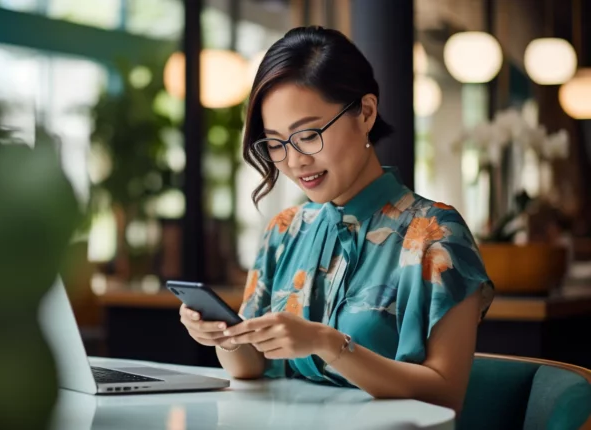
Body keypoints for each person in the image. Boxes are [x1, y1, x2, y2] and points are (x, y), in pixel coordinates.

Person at [177, 26, 495, 414]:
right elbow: (250, 368)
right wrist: (225, 338)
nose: (294, 161)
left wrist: (327, 344)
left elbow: (445, 394)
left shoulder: (436, 235)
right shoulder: (285, 229)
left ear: (365, 113)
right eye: (275, 144)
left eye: (308, 135)